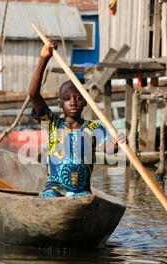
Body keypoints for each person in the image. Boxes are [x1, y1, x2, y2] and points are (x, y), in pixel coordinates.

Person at [29, 39, 126, 198]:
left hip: (82, 192)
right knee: (50, 197)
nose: (73, 102)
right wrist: (44, 58)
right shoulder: (53, 124)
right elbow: (33, 95)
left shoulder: (94, 129)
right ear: (60, 104)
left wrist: (117, 143)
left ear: (85, 103)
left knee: (84, 200)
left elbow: (109, 148)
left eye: (78, 98)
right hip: (55, 190)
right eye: (67, 98)